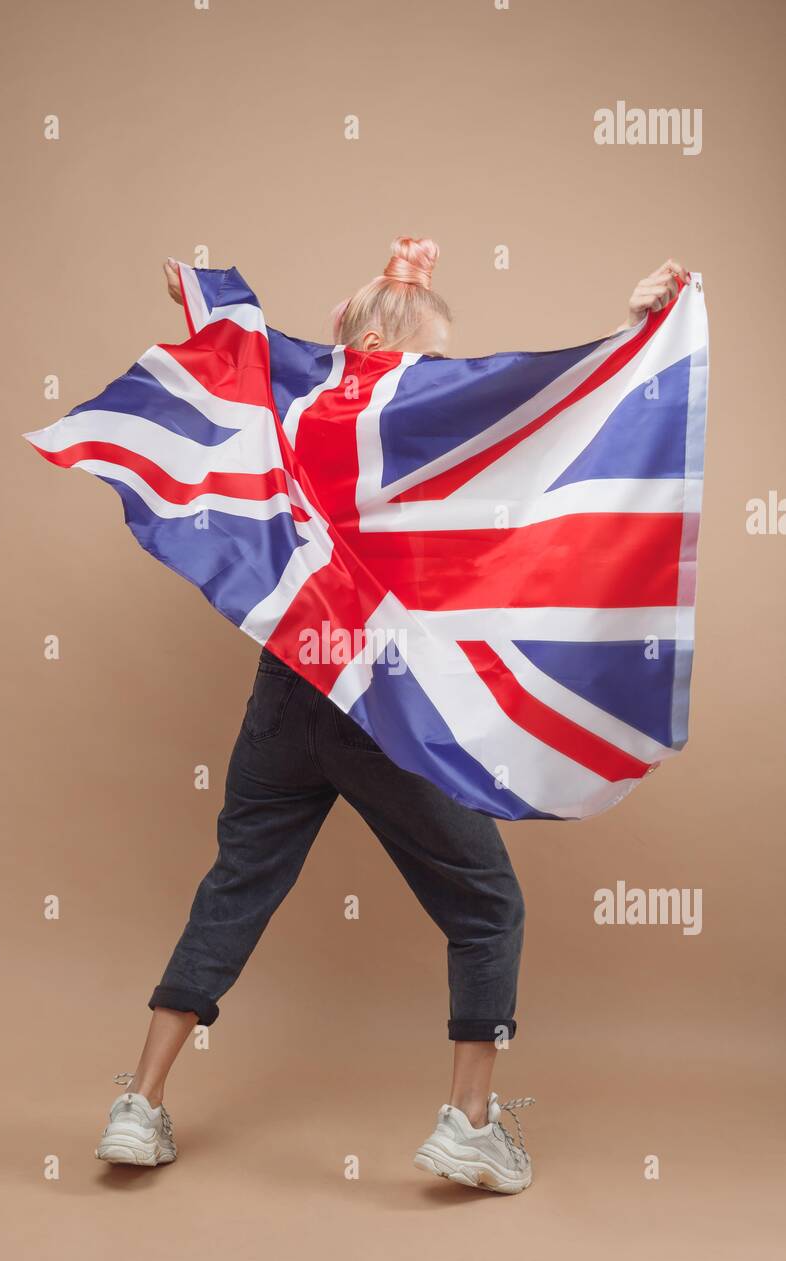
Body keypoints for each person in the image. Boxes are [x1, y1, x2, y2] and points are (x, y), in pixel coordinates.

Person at [95, 239, 690, 1193]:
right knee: (486, 907)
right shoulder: (415, 423)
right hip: (381, 705)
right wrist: (641, 336)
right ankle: (469, 1124)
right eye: (431, 356)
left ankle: (140, 1104)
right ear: (380, 342)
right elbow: (543, 428)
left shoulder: (295, 414)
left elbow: (240, 363)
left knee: (234, 890)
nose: (440, 375)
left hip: (286, 698)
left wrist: (205, 297)